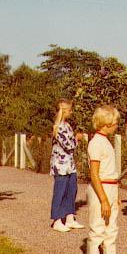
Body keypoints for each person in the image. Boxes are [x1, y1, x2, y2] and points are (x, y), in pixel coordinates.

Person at [85, 105, 127, 254]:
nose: (117, 125)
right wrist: (104, 199)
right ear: (107, 123)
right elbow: (95, 174)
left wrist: (115, 194)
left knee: (111, 229)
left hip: (110, 187)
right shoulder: (96, 143)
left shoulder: (106, 142)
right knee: (97, 229)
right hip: (100, 189)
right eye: (115, 122)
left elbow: (110, 171)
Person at [49, 99, 85, 232]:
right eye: (69, 110)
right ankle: (57, 220)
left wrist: (74, 139)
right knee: (60, 192)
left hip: (69, 163)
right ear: (63, 111)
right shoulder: (58, 127)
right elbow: (69, 145)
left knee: (72, 190)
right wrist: (77, 139)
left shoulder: (67, 125)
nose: (71, 112)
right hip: (60, 164)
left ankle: (70, 217)